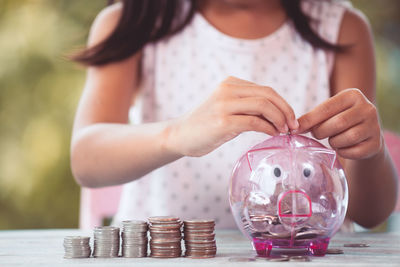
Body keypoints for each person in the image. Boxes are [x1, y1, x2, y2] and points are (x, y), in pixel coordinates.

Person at [70, 0, 398, 229]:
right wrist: (178, 134)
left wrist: (372, 152)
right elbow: (85, 158)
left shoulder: (342, 29)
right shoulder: (133, 23)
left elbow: (369, 214)